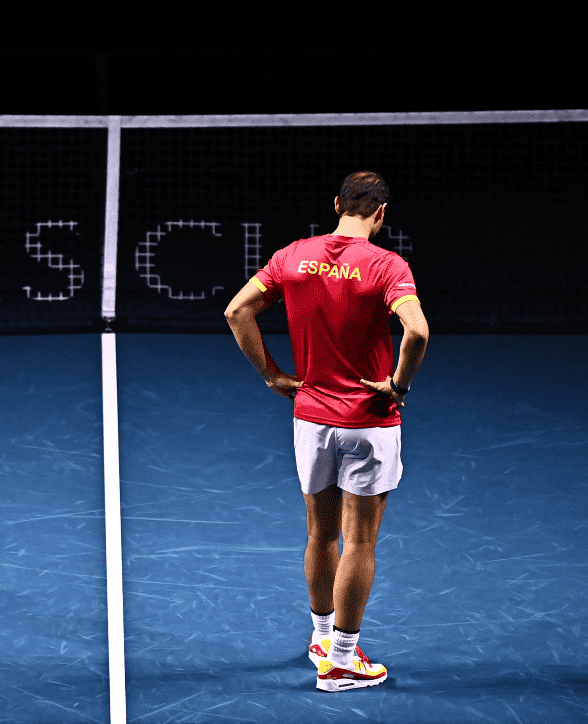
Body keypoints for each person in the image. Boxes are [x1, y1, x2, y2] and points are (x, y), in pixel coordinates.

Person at [223, 171, 429, 692]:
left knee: (320, 531)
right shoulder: (387, 265)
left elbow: (236, 310)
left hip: (310, 418)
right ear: (381, 214)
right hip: (368, 422)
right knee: (360, 541)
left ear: (337, 204)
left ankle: (320, 637)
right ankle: (339, 660)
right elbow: (418, 331)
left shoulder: (292, 255)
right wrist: (397, 384)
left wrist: (272, 372)